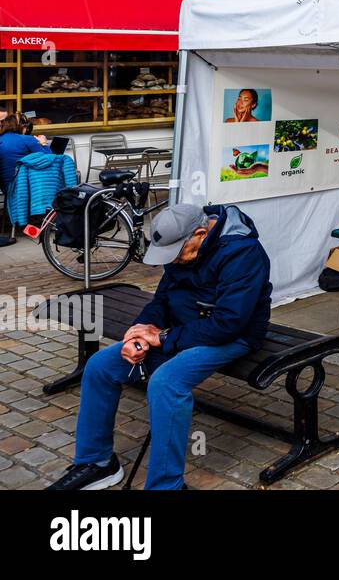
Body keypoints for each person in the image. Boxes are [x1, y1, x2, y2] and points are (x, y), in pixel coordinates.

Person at [47, 202, 272, 490]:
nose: (173, 261)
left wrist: (163, 338)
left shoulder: (243, 252)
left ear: (201, 234)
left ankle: (167, 485)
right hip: (181, 329)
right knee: (101, 366)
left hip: (233, 335)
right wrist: (138, 334)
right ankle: (97, 463)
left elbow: (229, 322)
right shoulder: (184, 249)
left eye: (177, 254)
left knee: (167, 382)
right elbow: (162, 302)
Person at [1, 113, 48, 197]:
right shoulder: (27, 139)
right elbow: (49, 159)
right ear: (22, 126)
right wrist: (43, 143)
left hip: (5, 188)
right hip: (22, 188)